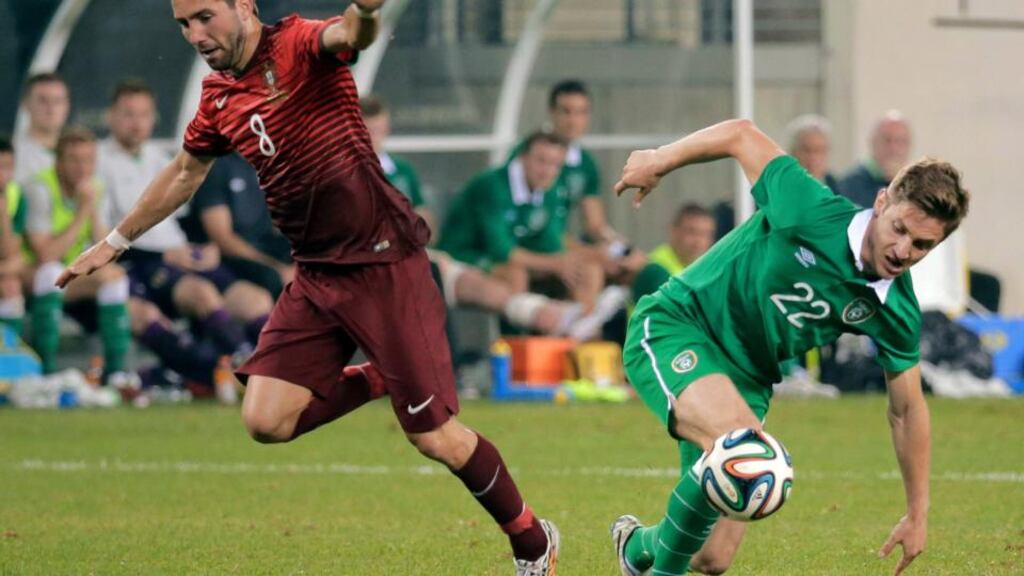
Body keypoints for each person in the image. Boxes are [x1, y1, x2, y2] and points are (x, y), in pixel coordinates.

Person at [58, 2, 559, 573]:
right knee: (264, 422)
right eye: (183, 25)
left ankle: (533, 542)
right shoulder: (219, 98)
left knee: (435, 438)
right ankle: (382, 376)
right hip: (317, 273)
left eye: (204, 17)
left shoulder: (297, 43)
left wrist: (366, 13)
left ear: (242, 6)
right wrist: (115, 241)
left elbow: (351, 33)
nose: (195, 34)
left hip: (384, 265)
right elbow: (184, 173)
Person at [609, 118, 968, 576]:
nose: (903, 251)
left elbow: (907, 410)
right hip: (680, 326)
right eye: (899, 229)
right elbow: (740, 133)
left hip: (748, 378)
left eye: (922, 245)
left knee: (711, 555)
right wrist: (658, 159)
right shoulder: (809, 206)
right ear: (882, 202)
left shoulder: (895, 306)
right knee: (745, 458)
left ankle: (635, 547)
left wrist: (918, 514)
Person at [98, 79, 271, 361]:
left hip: (182, 255)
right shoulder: (98, 162)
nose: (137, 123)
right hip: (141, 262)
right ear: (111, 117)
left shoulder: (162, 159)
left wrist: (206, 246)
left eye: (143, 115)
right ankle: (244, 366)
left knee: (255, 298)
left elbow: (184, 219)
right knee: (201, 293)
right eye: (128, 114)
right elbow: (104, 235)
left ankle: (282, 368)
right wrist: (167, 254)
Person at [22, 127, 133, 382]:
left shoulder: (95, 189)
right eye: (74, 160)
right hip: (29, 275)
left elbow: (107, 251)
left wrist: (92, 210)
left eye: (89, 160)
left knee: (115, 277)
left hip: (69, 274)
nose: (82, 168)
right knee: (48, 272)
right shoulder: (40, 187)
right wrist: (83, 210)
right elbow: (46, 255)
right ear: (59, 162)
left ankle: (116, 373)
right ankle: (45, 371)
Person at [181, 151, 295, 298]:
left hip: (265, 243)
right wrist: (278, 268)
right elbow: (223, 238)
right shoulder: (215, 166)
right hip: (232, 254)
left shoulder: (268, 163)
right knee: (272, 278)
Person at [360, 95, 436, 236]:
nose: (373, 138)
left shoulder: (403, 170)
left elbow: (427, 229)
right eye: (368, 131)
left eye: (378, 130)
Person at [630, 203, 716, 302]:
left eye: (705, 234)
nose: (699, 241)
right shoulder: (655, 269)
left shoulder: (705, 271)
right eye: (692, 232)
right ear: (673, 231)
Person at [839, 111, 912, 208]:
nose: (893, 148)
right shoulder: (850, 185)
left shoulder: (917, 186)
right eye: (887, 140)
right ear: (873, 142)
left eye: (900, 141)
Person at [14, 73, 70, 185]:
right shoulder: (13, 155)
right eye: (43, 101)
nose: (51, 109)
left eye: (57, 101)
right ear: (25, 105)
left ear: (67, 106)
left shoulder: (84, 155)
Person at [0, 137, 27, 334]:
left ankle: (8, 353)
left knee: (11, 284)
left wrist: (3, 215)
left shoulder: (15, 196)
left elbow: (11, 253)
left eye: (7, 167)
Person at [786, 113, 839, 193]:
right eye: (806, 150)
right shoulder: (777, 189)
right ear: (793, 152)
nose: (813, 157)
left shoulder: (838, 188)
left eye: (820, 150)